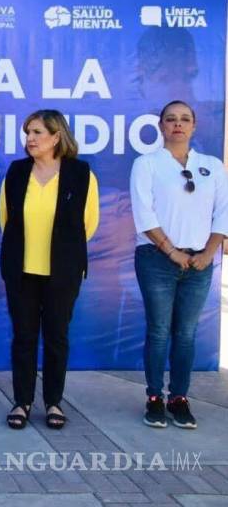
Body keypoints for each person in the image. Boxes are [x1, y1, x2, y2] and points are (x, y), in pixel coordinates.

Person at [0, 109, 99, 430]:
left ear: (56, 136)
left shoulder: (81, 174)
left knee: (57, 337)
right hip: (22, 272)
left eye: (37, 132)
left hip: (63, 273)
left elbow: (88, 224)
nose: (30, 138)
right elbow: (6, 219)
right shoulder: (16, 172)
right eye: (28, 132)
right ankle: (22, 402)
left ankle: (53, 402)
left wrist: (65, 255)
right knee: (24, 338)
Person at [130, 100, 227, 429]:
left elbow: (223, 214)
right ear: (161, 126)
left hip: (199, 262)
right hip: (157, 259)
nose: (178, 124)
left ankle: (179, 398)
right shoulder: (147, 164)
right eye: (170, 119)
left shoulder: (212, 166)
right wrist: (172, 252)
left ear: (194, 126)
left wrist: (206, 254)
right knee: (159, 331)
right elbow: (144, 214)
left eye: (185, 119)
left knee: (185, 334)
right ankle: (155, 397)